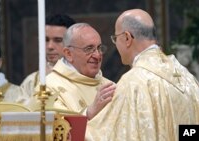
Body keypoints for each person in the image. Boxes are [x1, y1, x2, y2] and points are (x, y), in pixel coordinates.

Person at [86, 9, 199, 141]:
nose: (116, 44)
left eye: (115, 38)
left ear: (127, 38)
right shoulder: (187, 77)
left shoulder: (133, 82)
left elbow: (106, 136)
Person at [31, 23, 116, 120]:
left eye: (99, 48)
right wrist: (88, 113)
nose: (97, 55)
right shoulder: (47, 88)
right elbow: (57, 129)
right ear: (68, 54)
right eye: (89, 49)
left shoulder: (110, 86)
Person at [21, 14, 76, 96]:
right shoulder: (31, 82)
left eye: (58, 40)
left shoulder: (85, 78)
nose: (50, 46)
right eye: (45, 40)